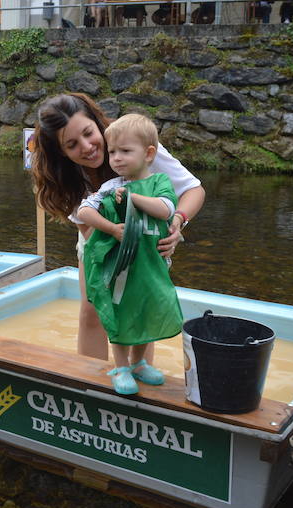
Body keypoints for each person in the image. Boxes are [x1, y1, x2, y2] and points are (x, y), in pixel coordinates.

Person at [31, 94, 204, 362]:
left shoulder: (134, 141)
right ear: (61, 152)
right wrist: (111, 250)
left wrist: (177, 221)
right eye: (72, 145)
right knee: (93, 308)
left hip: (147, 236)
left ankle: (141, 377)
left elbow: (193, 189)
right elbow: (88, 229)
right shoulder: (66, 174)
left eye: (89, 133)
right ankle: (91, 378)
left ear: (97, 123)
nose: (87, 147)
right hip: (99, 236)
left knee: (141, 303)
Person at [77, 114, 183, 394]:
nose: (116, 158)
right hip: (121, 268)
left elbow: (165, 209)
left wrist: (133, 196)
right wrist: (111, 228)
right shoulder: (110, 187)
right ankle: (121, 366)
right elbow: (83, 212)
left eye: (125, 151)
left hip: (151, 266)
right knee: (121, 314)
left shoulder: (160, 181)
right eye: (112, 152)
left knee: (149, 309)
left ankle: (138, 364)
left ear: (149, 153)